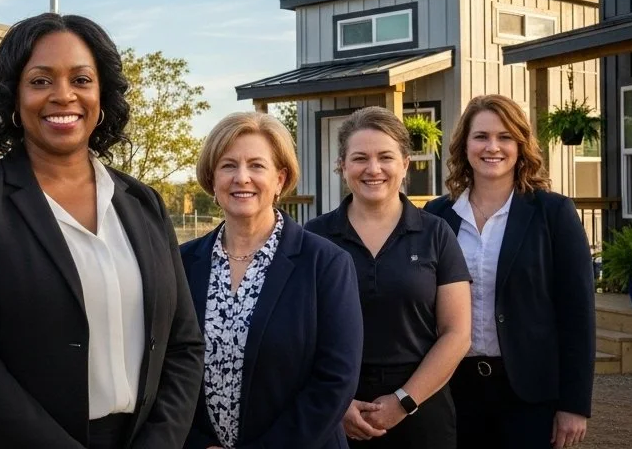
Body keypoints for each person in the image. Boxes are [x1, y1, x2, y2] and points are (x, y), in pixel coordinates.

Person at [0, 12, 204, 449]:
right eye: (40, 81)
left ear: (102, 94)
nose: (63, 95)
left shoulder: (143, 203)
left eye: (81, 80)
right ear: (13, 96)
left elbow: (183, 345)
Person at [181, 112, 362, 449]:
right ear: (212, 178)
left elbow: (336, 379)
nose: (242, 177)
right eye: (228, 165)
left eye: (257, 166)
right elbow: (169, 367)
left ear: (280, 179)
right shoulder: (181, 262)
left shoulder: (326, 263)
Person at [424, 95, 594, 449]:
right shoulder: (437, 216)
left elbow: (578, 316)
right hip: (451, 389)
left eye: (505, 137)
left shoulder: (553, 213)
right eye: (481, 136)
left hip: (530, 394)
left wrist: (574, 405)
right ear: (464, 145)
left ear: (521, 145)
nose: (493, 147)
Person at [304, 107, 472, 449]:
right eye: (360, 158)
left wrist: (403, 402)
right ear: (342, 165)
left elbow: (457, 333)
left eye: (385, 157)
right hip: (334, 409)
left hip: (422, 410)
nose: (373, 169)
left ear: (405, 164)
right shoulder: (314, 237)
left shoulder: (436, 233)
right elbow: (301, 334)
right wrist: (337, 405)